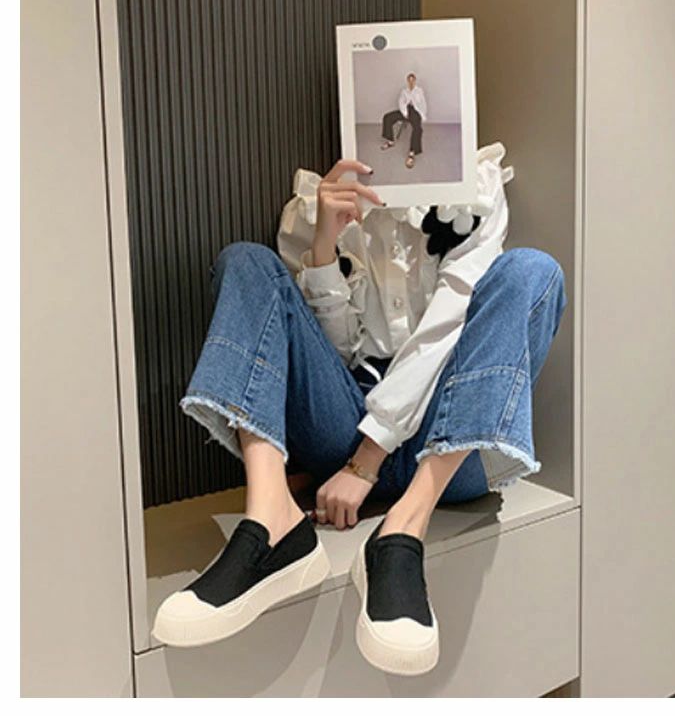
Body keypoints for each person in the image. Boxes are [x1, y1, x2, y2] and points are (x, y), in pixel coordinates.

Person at [152, 142, 567, 676]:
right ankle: (272, 518)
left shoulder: (476, 189)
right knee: (246, 262)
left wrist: (366, 462)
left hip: (445, 446)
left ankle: (403, 527)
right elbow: (339, 353)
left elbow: (446, 329)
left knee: (532, 270)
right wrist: (325, 245)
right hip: (345, 424)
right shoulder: (325, 198)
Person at [380, 72, 427, 169]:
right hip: (405, 110)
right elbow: (401, 102)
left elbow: (422, 103)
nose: (411, 83)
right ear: (407, 81)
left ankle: (412, 152)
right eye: (409, 81)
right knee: (387, 117)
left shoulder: (419, 91)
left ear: (415, 81)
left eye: (412, 81)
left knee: (418, 129)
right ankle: (390, 141)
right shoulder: (404, 91)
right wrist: (405, 113)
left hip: (415, 112)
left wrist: (422, 115)